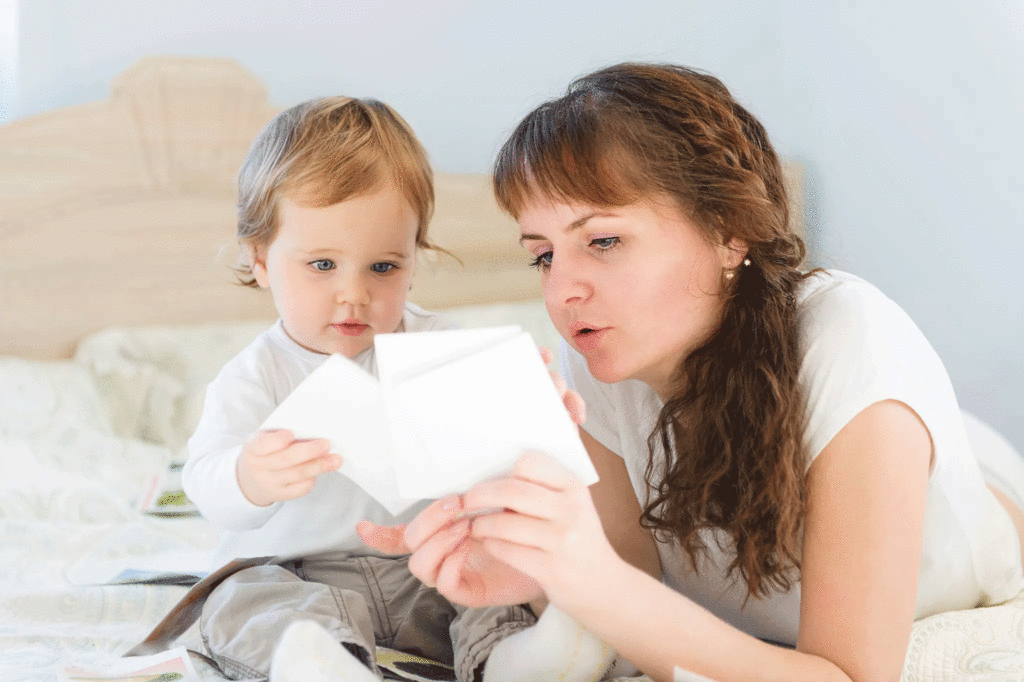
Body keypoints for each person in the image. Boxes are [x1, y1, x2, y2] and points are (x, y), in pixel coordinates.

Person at [359, 62, 1024, 682]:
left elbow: (847, 675)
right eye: (543, 255)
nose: (563, 290)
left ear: (729, 231)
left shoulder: (851, 338)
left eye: (603, 241)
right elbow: (624, 590)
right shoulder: (595, 359)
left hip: (971, 505)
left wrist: (591, 582)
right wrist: (543, 576)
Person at [180, 97, 536, 682]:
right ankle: (323, 667)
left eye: (383, 267)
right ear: (262, 259)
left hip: (420, 567)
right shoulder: (256, 374)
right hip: (297, 571)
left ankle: (518, 661)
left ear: (414, 257)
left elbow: (502, 463)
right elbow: (207, 486)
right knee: (239, 599)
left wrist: (522, 417)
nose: (354, 294)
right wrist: (248, 477)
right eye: (323, 265)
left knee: (495, 576)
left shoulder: (436, 345)